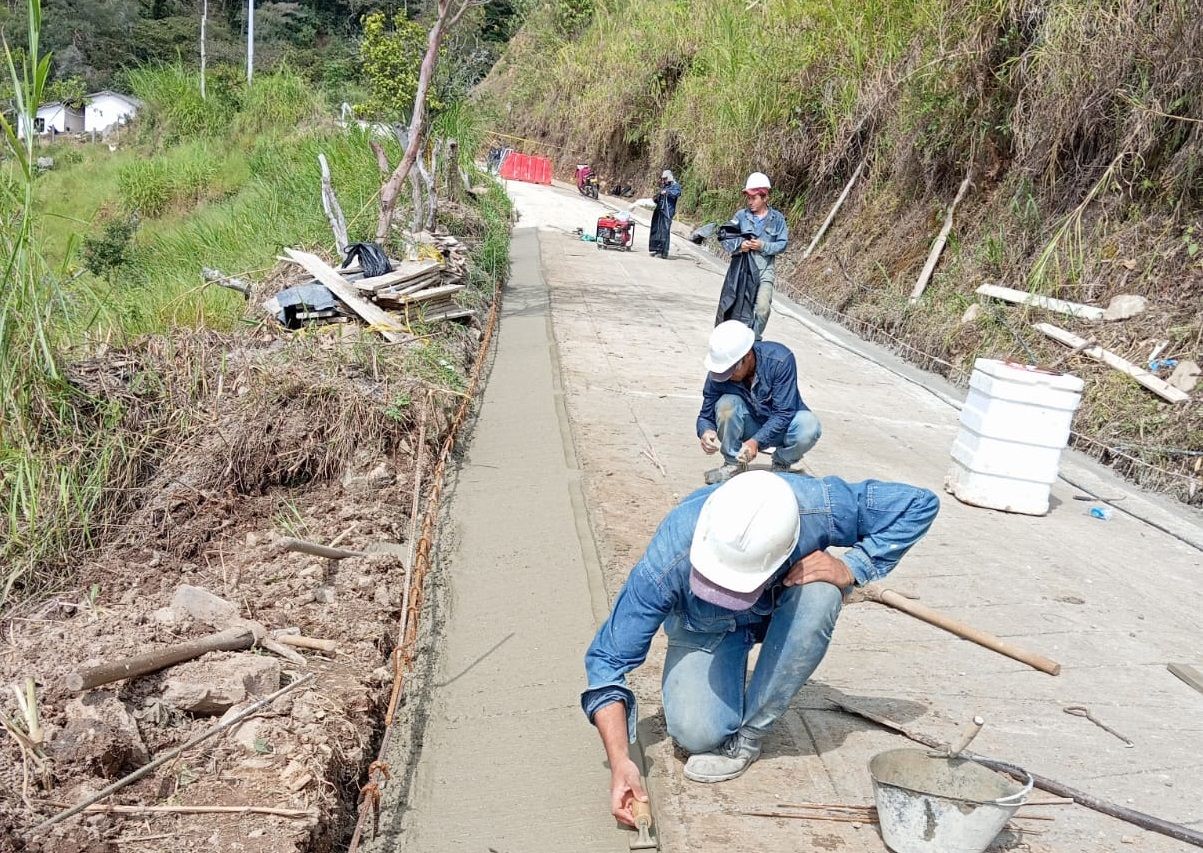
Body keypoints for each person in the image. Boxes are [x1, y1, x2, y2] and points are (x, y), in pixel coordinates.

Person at [582, 470, 939, 826]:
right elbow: (607, 659)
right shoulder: (669, 557)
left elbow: (920, 504)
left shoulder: (818, 506)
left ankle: (750, 737)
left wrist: (852, 565)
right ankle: (726, 674)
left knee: (821, 595)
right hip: (707, 627)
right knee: (696, 733)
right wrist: (620, 761)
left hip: (785, 606)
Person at [696, 321, 820, 484]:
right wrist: (706, 431)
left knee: (809, 426)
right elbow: (705, 415)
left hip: (783, 428)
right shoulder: (719, 371)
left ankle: (781, 463)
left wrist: (756, 441)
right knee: (726, 405)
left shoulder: (780, 360)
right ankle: (733, 464)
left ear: (747, 355)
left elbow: (784, 413)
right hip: (749, 423)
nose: (728, 376)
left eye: (732, 371)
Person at [716, 172, 788, 338]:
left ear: (765, 197)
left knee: (762, 309)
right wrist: (740, 245)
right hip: (743, 272)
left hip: (764, 271)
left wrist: (763, 246)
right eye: (748, 198)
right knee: (738, 309)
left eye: (753, 198)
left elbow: (782, 244)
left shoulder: (777, 219)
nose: (750, 202)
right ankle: (735, 342)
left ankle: (753, 340)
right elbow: (726, 237)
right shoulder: (741, 216)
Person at [648, 169, 682, 259]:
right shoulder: (664, 186)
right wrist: (656, 197)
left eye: (665, 178)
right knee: (656, 229)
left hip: (667, 211)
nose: (664, 181)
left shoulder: (675, 186)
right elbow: (660, 197)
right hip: (659, 210)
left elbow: (677, 193)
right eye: (663, 179)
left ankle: (663, 252)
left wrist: (667, 192)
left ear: (669, 177)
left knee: (664, 231)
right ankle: (655, 248)